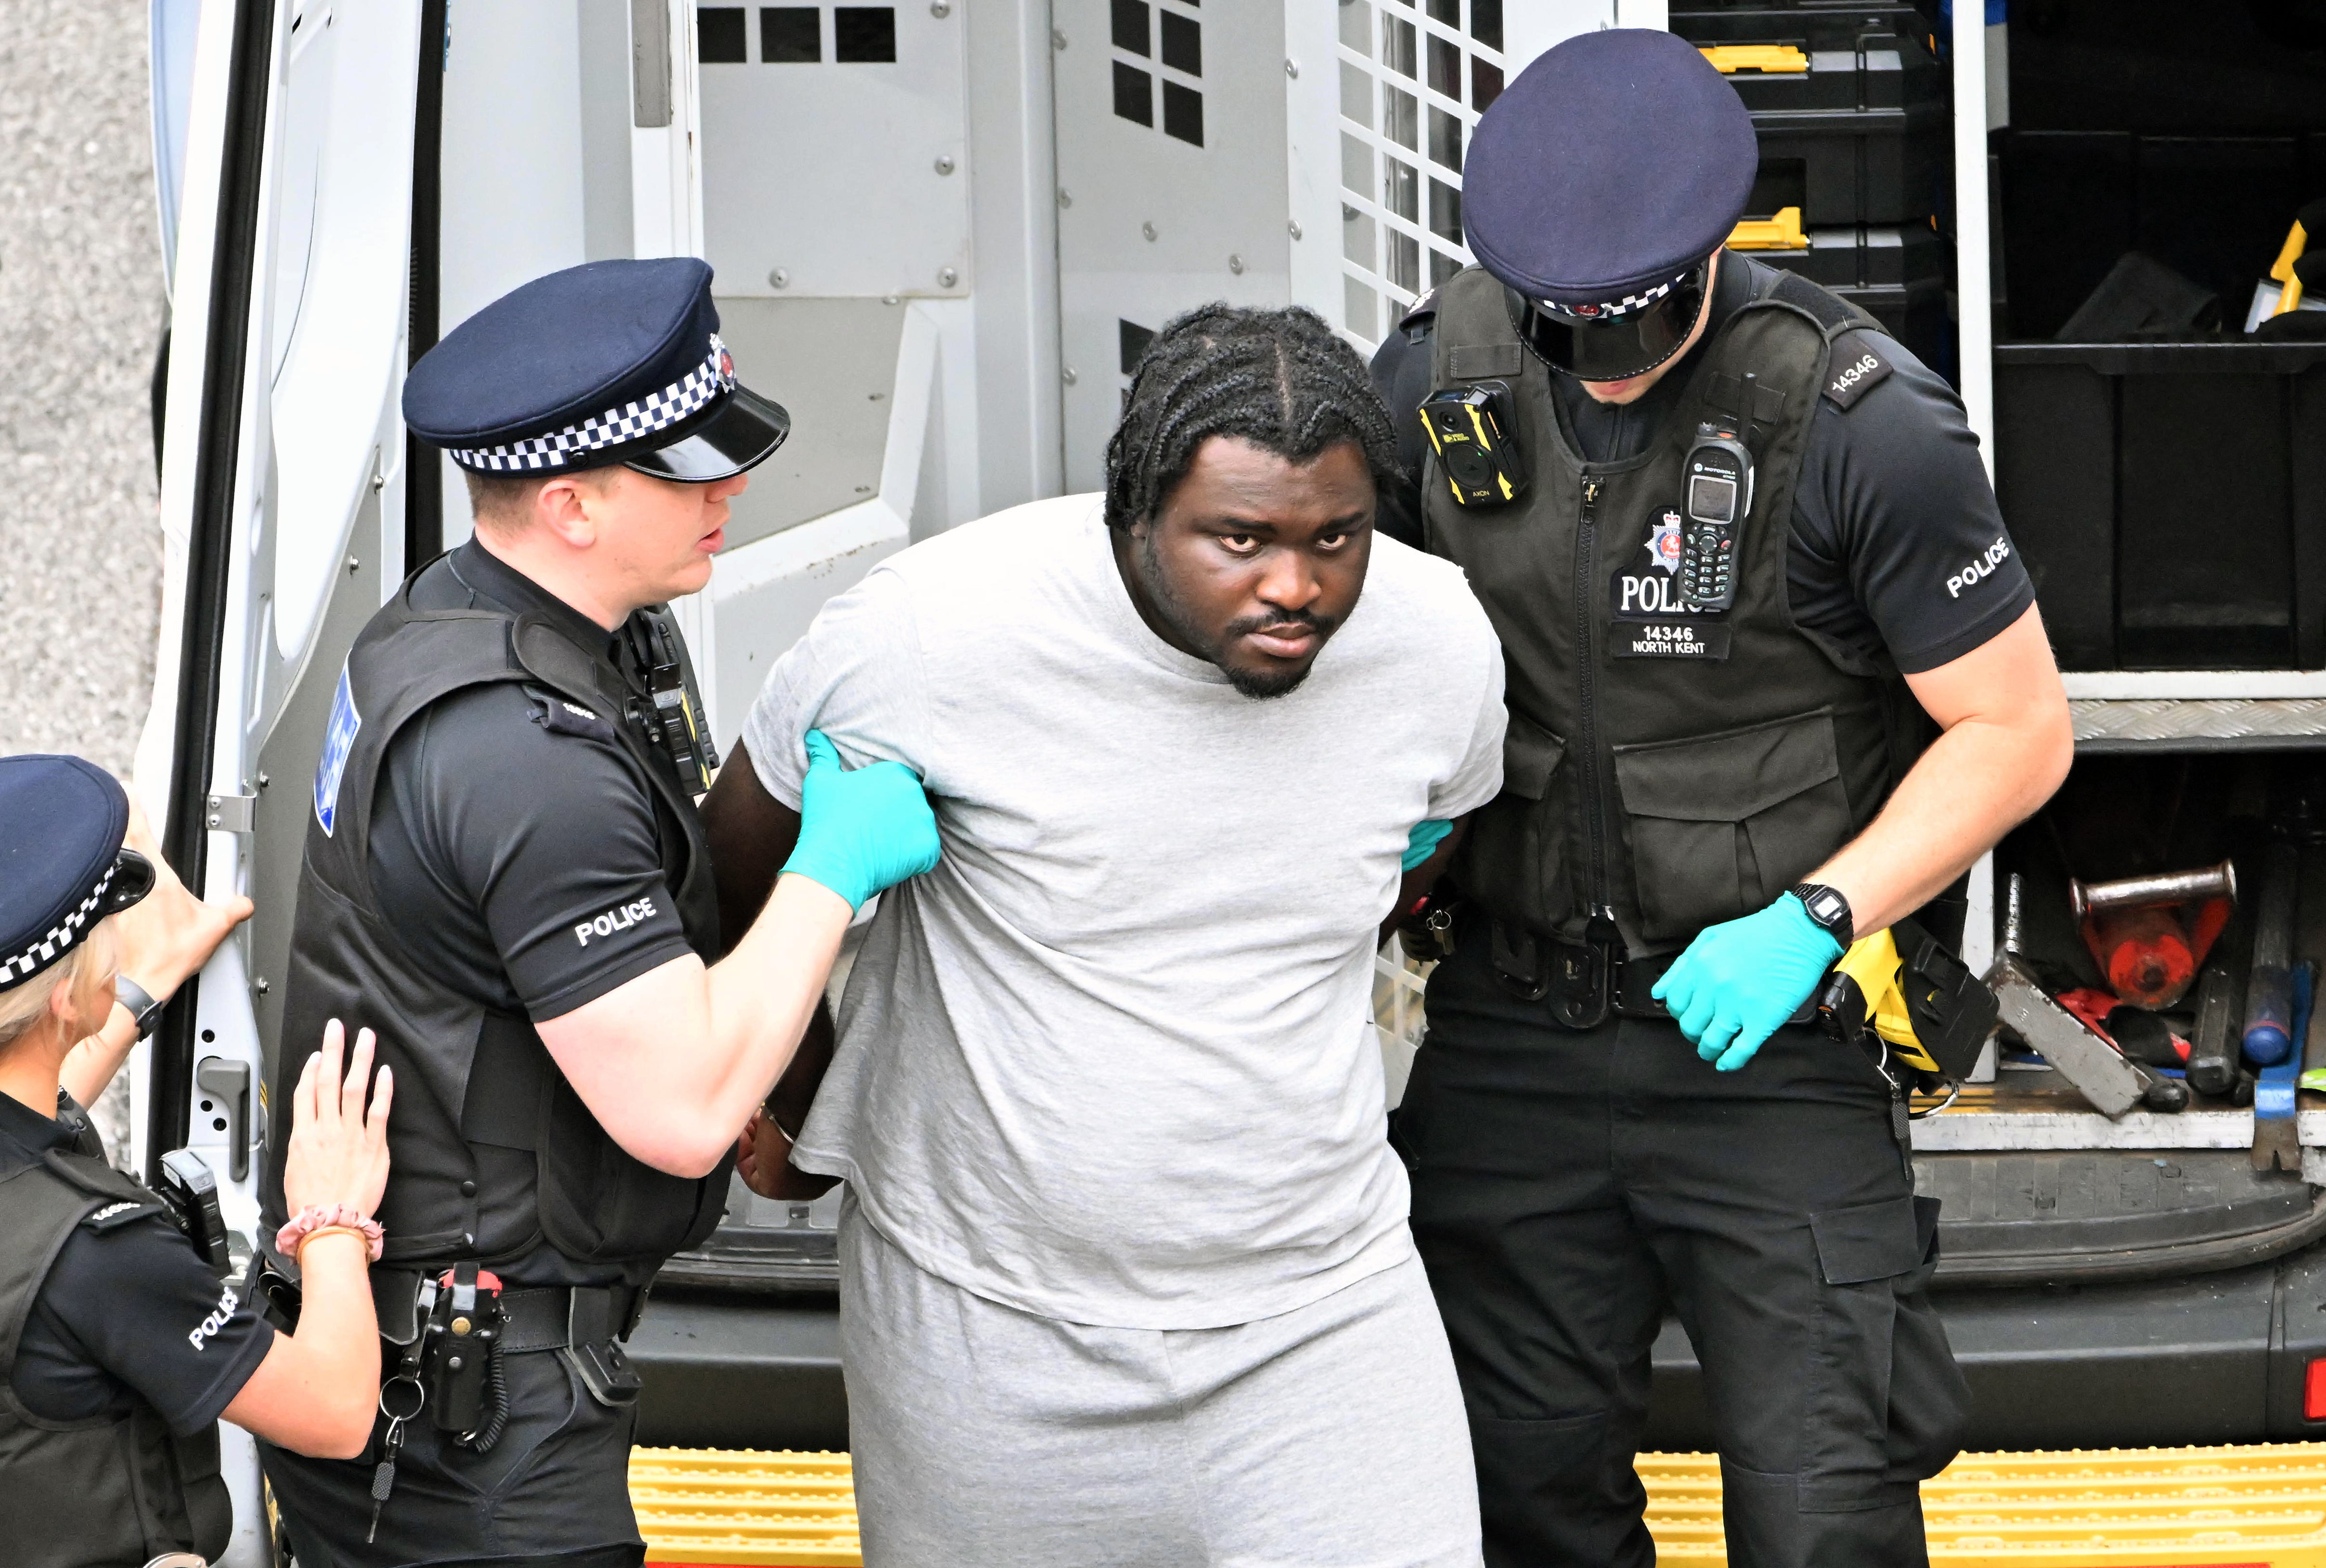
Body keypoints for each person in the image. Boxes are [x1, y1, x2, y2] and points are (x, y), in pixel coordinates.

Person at [1367, 30, 2075, 1568]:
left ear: (1711, 254)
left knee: (1824, 1510)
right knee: (1513, 1500)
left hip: (1772, 1040)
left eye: (1635, 325)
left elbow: (2016, 732)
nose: (1603, 366)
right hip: (1514, 1032)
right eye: (1569, 335)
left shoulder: (1859, 419)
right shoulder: (1437, 378)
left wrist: (1814, 921)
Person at [702, 303, 1507, 1568]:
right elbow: (735, 859)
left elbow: (1438, 831)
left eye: (1335, 537)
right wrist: (804, 1098)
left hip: (1319, 1315)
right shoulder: (929, 634)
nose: (1295, 586)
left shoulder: (1436, 641)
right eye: (1237, 538)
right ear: (1132, 513)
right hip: (985, 1331)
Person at [256, 258, 941, 1568]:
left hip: (476, 1368)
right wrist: (834, 871)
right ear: (570, 502)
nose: (728, 490)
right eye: (687, 473)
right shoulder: (523, 756)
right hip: (477, 1438)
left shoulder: (475, 620)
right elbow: (681, 1112)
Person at [0, 753, 394, 1568]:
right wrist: (332, 1219)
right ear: (65, 998)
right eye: (108, 925)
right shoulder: (99, 1255)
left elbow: (40, 1097)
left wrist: (138, 992)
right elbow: (338, 1409)